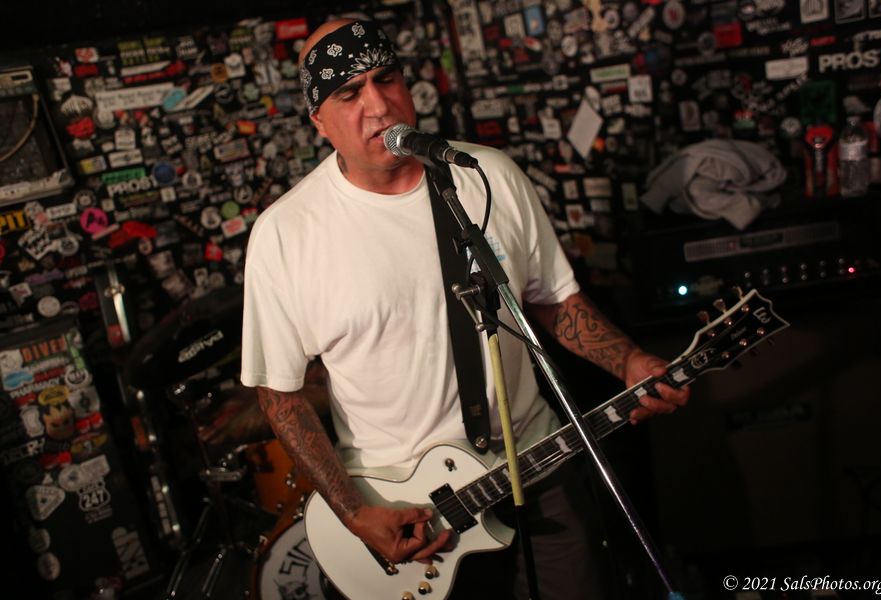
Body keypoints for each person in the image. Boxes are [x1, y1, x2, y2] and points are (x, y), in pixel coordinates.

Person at [240, 17, 689, 600]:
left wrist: (626, 361)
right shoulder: (286, 234)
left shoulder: (485, 175)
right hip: (406, 505)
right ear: (319, 121)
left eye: (386, 79)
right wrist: (354, 513)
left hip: (538, 464)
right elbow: (280, 396)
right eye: (349, 93)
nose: (378, 104)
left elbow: (552, 298)